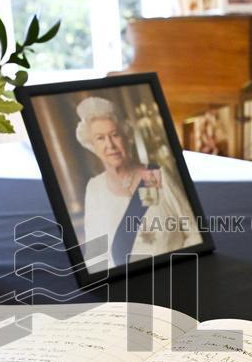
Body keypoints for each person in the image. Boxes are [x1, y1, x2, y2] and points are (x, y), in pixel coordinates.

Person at [75, 96, 203, 271]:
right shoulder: (94, 189)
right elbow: (95, 257)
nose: (110, 144)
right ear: (92, 145)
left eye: (115, 135)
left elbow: (195, 233)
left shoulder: (157, 175)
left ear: (126, 137)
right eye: (100, 138)